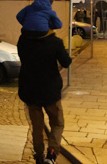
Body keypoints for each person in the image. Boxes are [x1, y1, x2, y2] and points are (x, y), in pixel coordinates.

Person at [17, 23, 72, 164]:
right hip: (50, 91)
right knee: (57, 122)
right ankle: (52, 153)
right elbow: (66, 62)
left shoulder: (23, 40)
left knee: (37, 126)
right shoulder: (55, 42)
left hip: (30, 89)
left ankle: (39, 155)